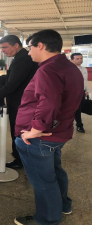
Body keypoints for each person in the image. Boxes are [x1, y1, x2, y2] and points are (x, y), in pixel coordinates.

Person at [13, 29, 84, 225]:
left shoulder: (47, 69)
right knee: (55, 170)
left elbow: (49, 103)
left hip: (41, 137)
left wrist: (35, 129)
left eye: (30, 48)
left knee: (43, 181)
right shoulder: (70, 68)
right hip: (59, 133)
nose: (29, 53)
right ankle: (63, 204)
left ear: (41, 46)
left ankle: (47, 220)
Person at [0, 35, 38, 169]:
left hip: (21, 103)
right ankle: (19, 155)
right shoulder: (19, 57)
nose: (3, 51)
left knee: (19, 131)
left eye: (5, 47)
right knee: (18, 131)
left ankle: (21, 160)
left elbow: (11, 85)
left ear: (16, 45)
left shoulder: (23, 58)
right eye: (1, 48)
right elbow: (13, 78)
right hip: (19, 101)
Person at [70, 53, 88, 133]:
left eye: (81, 58)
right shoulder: (68, 70)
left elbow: (85, 81)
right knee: (76, 109)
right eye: (77, 58)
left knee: (80, 108)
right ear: (72, 60)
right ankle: (79, 125)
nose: (80, 60)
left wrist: (86, 90)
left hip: (82, 92)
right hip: (72, 92)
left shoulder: (84, 69)